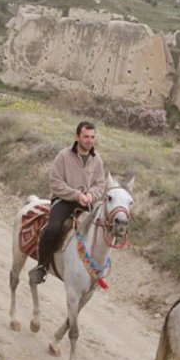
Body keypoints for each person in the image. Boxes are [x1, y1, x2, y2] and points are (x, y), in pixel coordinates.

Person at [29, 121, 106, 284]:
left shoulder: (97, 160)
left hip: (86, 203)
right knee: (52, 229)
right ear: (77, 137)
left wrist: (91, 195)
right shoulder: (63, 156)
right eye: (86, 136)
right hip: (63, 201)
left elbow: (100, 184)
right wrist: (76, 195)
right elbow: (55, 182)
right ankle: (42, 266)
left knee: (98, 231)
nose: (89, 140)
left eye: (92, 137)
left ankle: (94, 269)